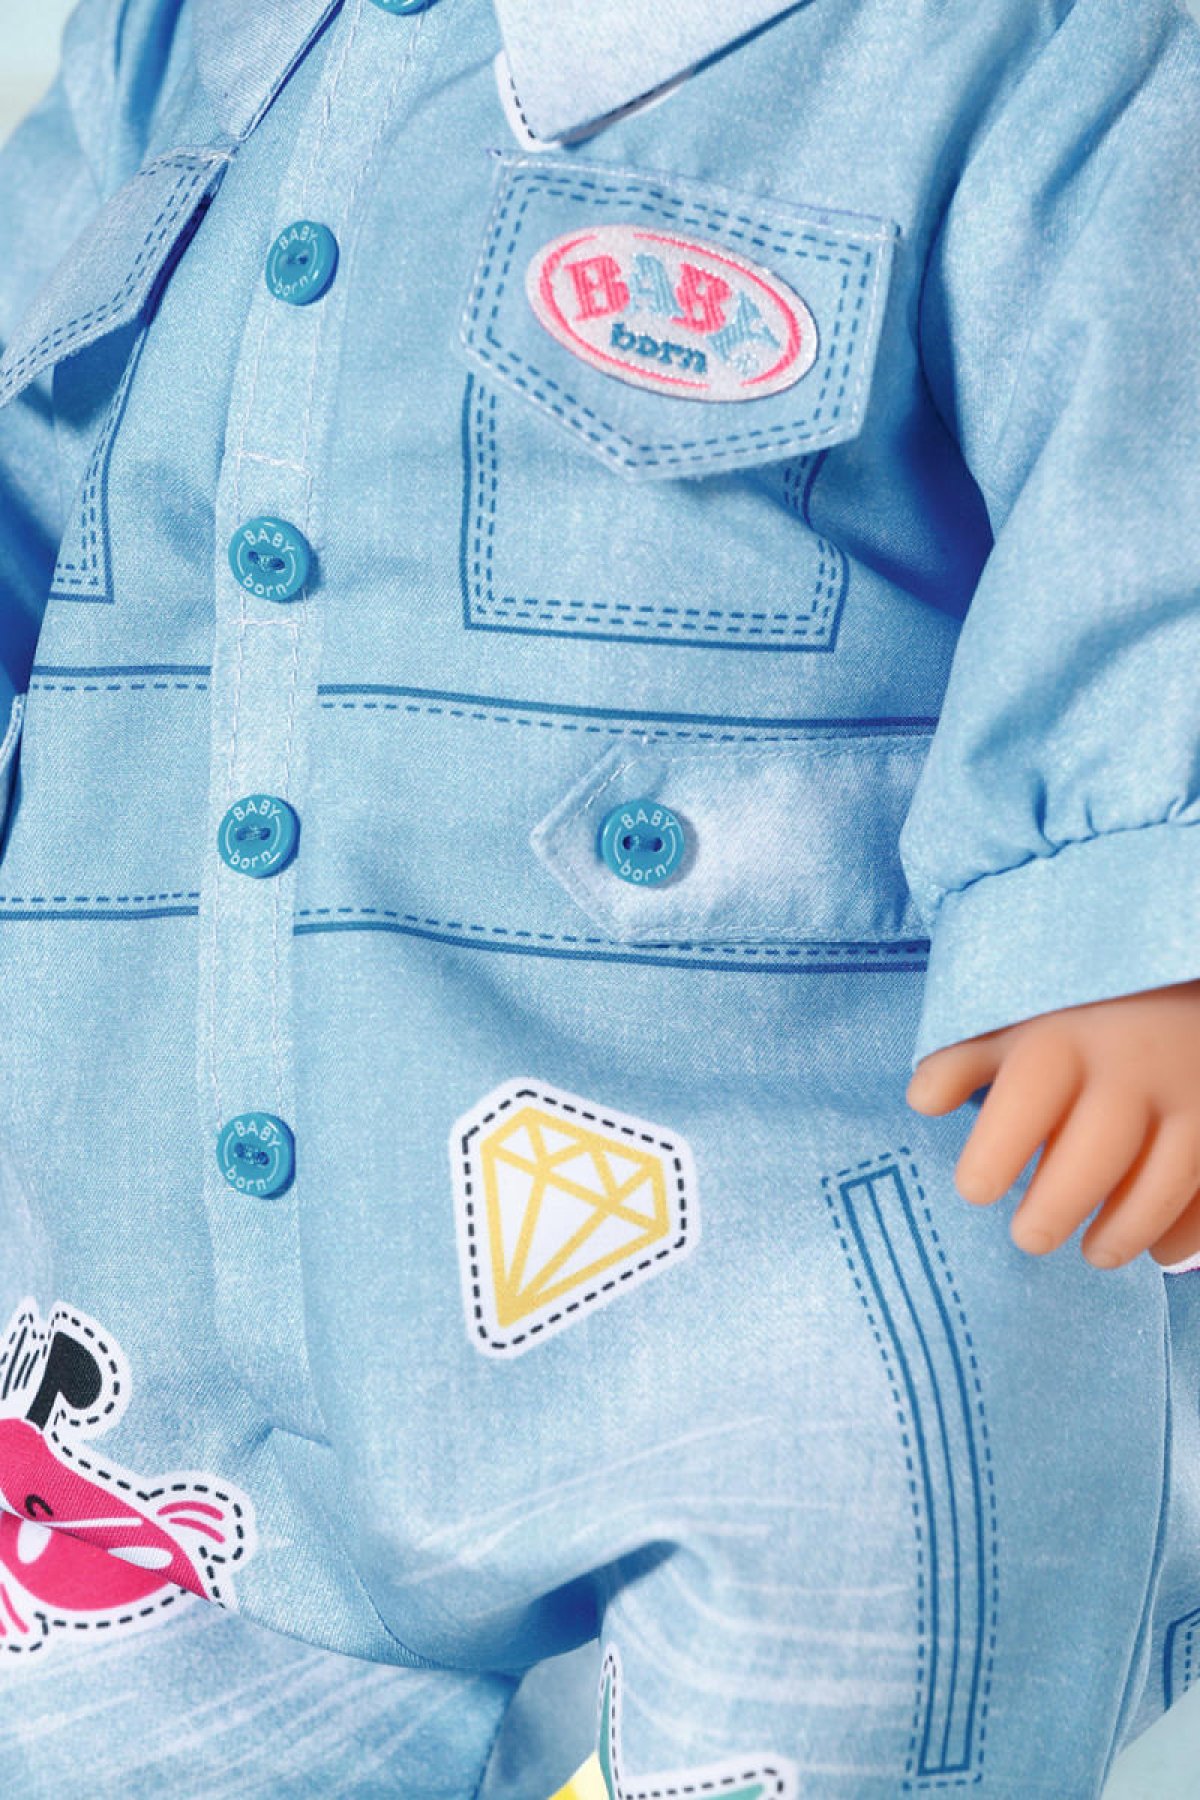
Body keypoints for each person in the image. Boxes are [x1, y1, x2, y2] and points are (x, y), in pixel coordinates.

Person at [0, 0, 1198, 1794]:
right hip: (134, 1278)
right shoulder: (176, 42)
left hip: (789, 1251)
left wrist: (1131, 890)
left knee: (864, 1681)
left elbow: (1151, 451)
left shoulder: (1026, 44)